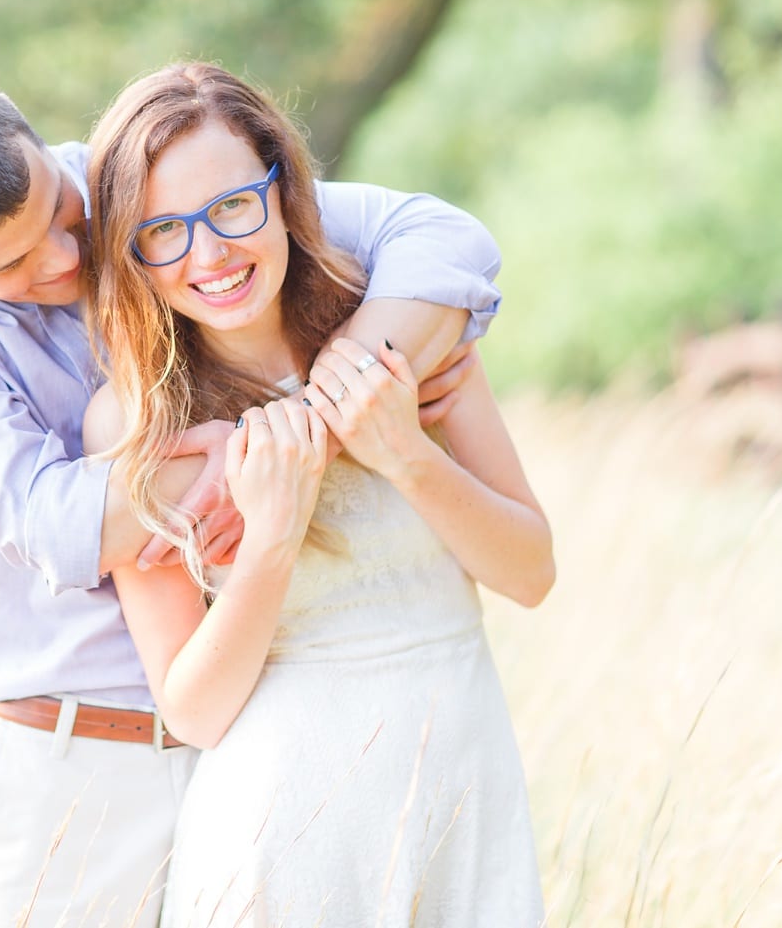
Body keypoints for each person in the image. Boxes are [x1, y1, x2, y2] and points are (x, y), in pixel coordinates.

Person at [0, 61, 507, 927]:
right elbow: (57, 523)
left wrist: (345, 393)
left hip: (265, 734)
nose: (67, 257)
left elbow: (440, 237)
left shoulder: (132, 181)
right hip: (72, 762)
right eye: (14, 262)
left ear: (36, 141)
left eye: (60, 214)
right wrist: (267, 456)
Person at [81, 61, 552, 926]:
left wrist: (405, 452)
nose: (210, 254)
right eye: (163, 231)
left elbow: (531, 572)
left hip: (465, 788)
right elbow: (191, 708)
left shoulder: (402, 326)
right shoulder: (138, 422)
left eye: (231, 207)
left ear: (282, 187)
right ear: (131, 253)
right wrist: (271, 538)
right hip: (285, 831)